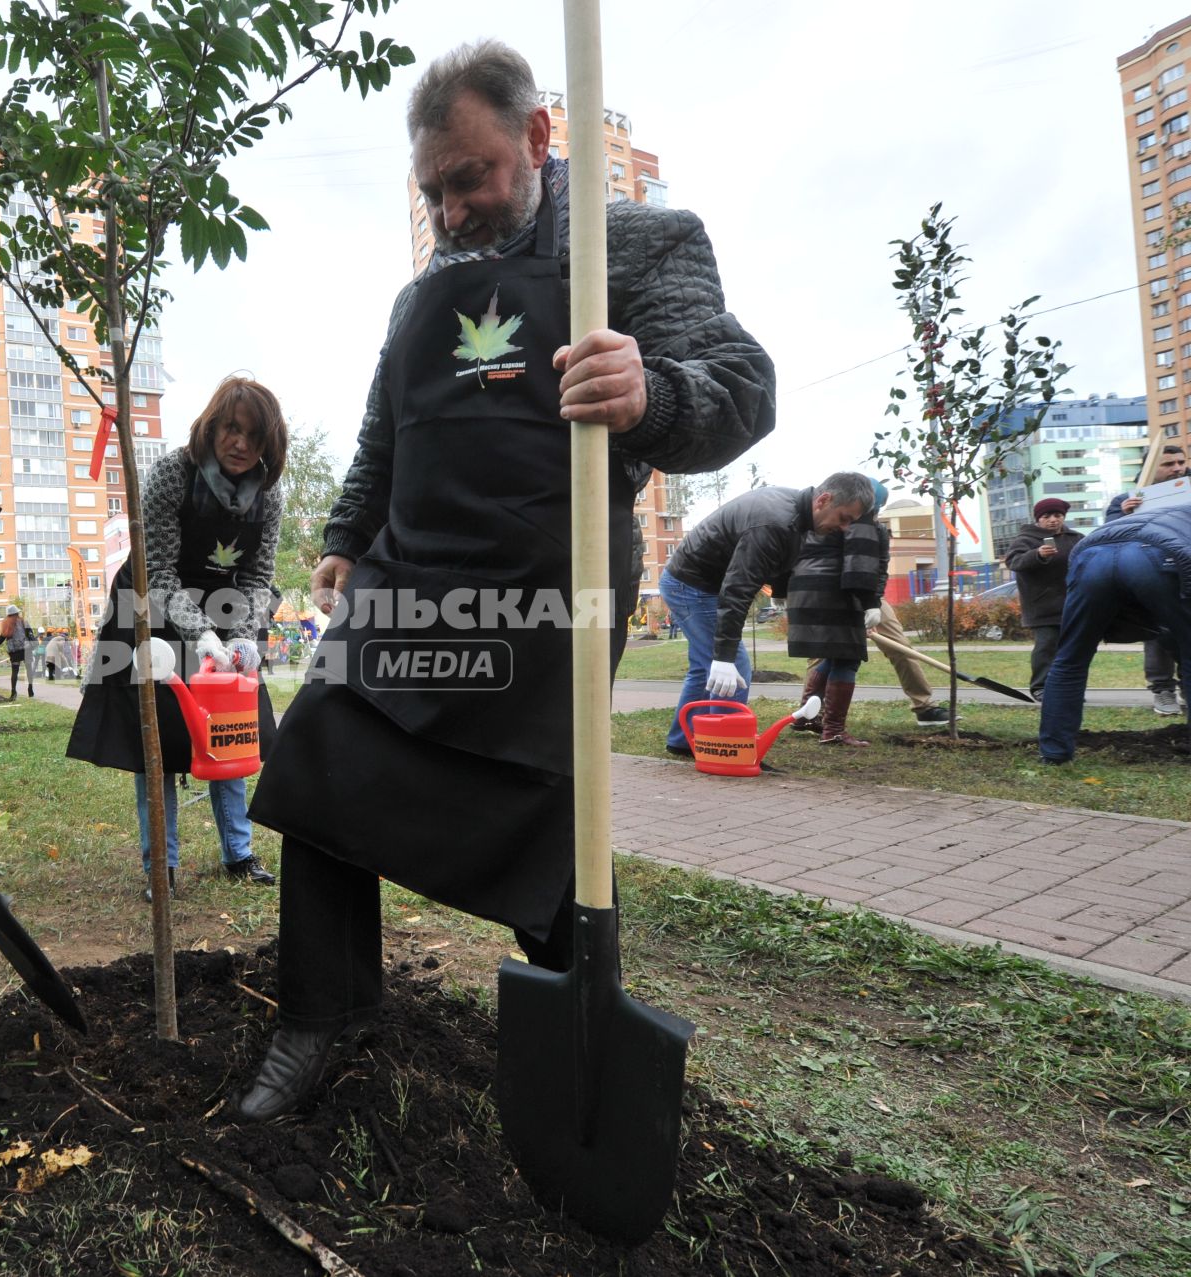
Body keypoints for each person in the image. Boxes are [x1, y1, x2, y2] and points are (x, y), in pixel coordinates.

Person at [231, 42, 776, 1122]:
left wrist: (652, 391)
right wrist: (345, 537)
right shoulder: (418, 297)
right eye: (432, 190)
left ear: (536, 139)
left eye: (469, 178)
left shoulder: (637, 244)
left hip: (551, 583)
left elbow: (742, 389)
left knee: (538, 814)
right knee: (324, 761)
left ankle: (582, 1043)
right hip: (410, 579)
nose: (451, 210)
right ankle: (321, 1015)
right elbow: (386, 436)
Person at [67, 375, 286, 899]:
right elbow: (158, 573)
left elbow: (258, 577)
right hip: (152, 609)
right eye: (232, 429)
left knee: (230, 732)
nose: (241, 444)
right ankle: (160, 866)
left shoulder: (269, 493)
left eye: (254, 436)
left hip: (225, 605)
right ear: (212, 427)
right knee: (159, 744)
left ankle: (239, 852)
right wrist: (202, 636)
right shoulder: (172, 474)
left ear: (268, 445)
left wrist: (241, 634)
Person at [660, 474, 875, 756]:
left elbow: (784, 563)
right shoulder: (773, 522)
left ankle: (684, 741)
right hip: (692, 585)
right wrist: (723, 657)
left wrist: (784, 597)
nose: (846, 528)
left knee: (704, 668)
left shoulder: (800, 514)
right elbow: (737, 590)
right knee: (732, 668)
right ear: (824, 500)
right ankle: (726, 750)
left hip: (699, 582)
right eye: (844, 518)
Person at [1038, 500, 1191, 763]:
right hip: (1157, 553)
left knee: (1070, 660)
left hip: (1091, 555)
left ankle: (1054, 753)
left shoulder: (1169, 510)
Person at [784, 495, 887, 747]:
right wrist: (870, 602)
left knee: (833, 656)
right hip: (837, 593)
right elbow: (861, 564)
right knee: (848, 658)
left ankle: (804, 718)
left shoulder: (819, 517)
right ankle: (834, 730)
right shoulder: (860, 523)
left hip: (804, 591)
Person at [1104, 443, 1188, 715]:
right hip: (1153, 578)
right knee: (1158, 634)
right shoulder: (1125, 501)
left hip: (1186, 574)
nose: (1177, 468)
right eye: (1168, 464)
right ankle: (1162, 689)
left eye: (1180, 462)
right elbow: (1109, 540)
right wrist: (1125, 516)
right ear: (1151, 469)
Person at [1003, 497, 1084, 701]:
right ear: (1038, 519)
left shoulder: (1075, 538)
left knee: (1073, 649)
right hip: (1042, 606)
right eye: (1046, 516)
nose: (1053, 520)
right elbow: (1014, 562)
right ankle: (1040, 687)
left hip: (1073, 604)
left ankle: (1069, 688)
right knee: (1046, 647)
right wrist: (1037, 554)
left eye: (1058, 515)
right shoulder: (1026, 539)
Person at [0, 604, 35, 698]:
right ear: (16, 613)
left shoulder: (6, 624)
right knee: (29, 669)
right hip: (26, 649)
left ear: (8, 615)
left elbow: (1, 638)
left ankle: (13, 692)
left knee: (15, 671)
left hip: (14, 651)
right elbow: (30, 634)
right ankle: (30, 689)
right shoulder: (23, 622)